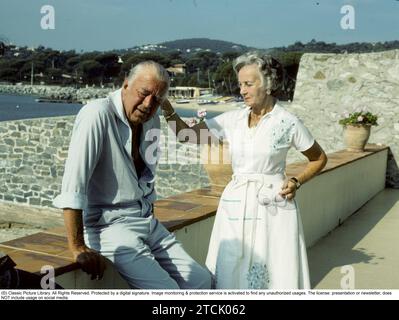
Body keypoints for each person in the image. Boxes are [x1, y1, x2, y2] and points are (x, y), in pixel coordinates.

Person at [160, 52, 327, 289]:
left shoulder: (288, 122)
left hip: (274, 206)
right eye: (240, 84)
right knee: (230, 263)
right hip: (235, 201)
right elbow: (188, 136)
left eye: (249, 84)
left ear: (269, 84)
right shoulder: (233, 120)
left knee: (274, 268)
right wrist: (167, 108)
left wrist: (297, 181)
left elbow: (319, 158)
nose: (242, 90)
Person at [53, 61, 211, 289]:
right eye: (143, 93)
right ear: (125, 84)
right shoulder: (96, 114)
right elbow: (72, 186)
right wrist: (77, 247)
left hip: (146, 221)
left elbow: (148, 176)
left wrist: (165, 108)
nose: (148, 104)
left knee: (202, 282)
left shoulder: (152, 119)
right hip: (108, 227)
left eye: (156, 99)